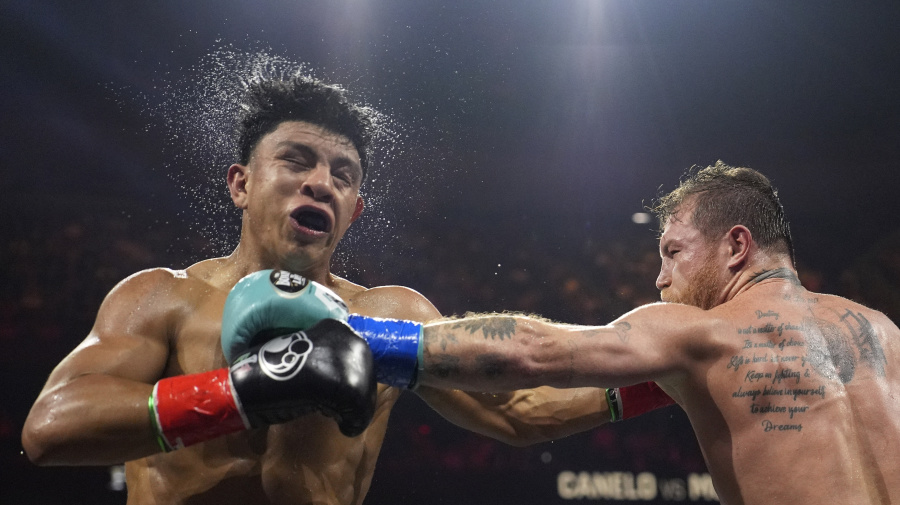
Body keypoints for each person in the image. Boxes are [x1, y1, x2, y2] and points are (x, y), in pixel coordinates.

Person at [22, 76, 638, 505]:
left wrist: (667, 377)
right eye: (296, 161)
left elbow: (514, 412)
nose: (321, 183)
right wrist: (247, 391)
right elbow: (49, 429)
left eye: (343, 175)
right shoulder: (162, 298)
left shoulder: (389, 314)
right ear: (241, 183)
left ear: (355, 211)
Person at [301, 162, 899, 504]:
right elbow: (526, 416)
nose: (661, 278)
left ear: (736, 245)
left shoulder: (703, 331)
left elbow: (535, 353)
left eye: (673, 252)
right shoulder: (884, 333)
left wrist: (364, 336)